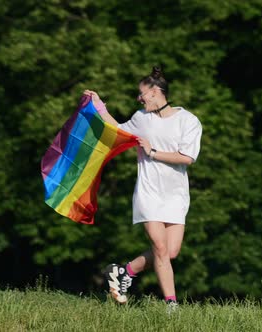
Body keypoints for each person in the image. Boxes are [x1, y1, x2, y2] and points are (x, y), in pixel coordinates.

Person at [83, 66, 202, 311]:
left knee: (171, 252)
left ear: (156, 92)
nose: (139, 98)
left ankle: (123, 272)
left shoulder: (188, 120)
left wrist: (153, 152)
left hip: (176, 194)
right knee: (159, 248)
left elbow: (187, 158)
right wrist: (98, 106)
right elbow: (116, 130)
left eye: (142, 94)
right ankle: (172, 307)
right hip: (149, 192)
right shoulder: (141, 119)